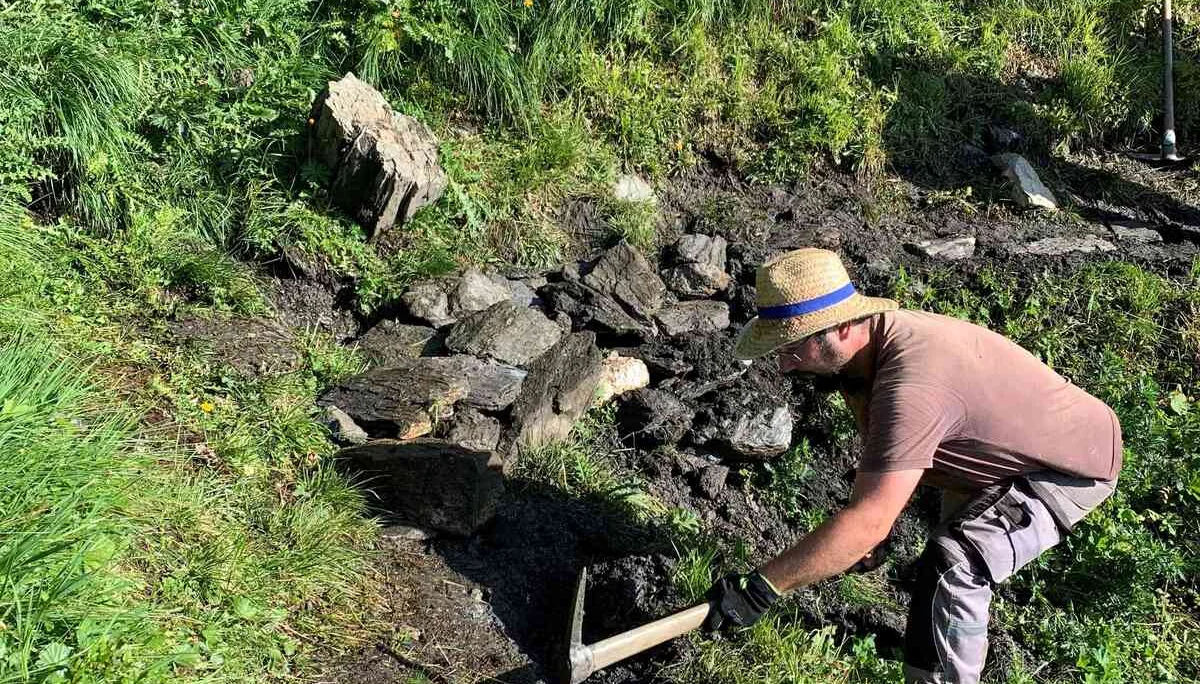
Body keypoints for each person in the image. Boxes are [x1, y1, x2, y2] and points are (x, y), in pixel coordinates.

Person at [703, 248, 1122, 684]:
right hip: (992, 454)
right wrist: (868, 529)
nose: (784, 362)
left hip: (1070, 464)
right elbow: (879, 479)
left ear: (843, 327)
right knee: (940, 568)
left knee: (957, 562)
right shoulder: (862, 359)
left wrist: (762, 589)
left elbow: (867, 521)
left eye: (793, 346)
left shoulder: (910, 386)